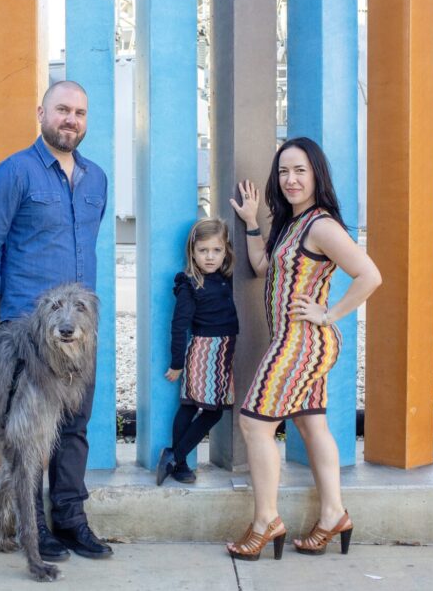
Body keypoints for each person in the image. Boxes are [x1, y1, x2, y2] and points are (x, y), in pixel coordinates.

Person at [0, 80, 113, 562]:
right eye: (62, 110)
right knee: (27, 432)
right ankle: (35, 527)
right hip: (28, 334)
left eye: (79, 112)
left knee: (75, 426)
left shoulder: (96, 179)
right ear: (41, 113)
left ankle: (70, 518)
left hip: (81, 333)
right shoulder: (14, 172)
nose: (71, 119)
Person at [226, 136, 381, 560]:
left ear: (316, 175)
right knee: (312, 426)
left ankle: (266, 522)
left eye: (300, 170)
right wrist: (253, 222)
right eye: (283, 171)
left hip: (302, 340)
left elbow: (370, 275)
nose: (290, 179)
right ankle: (333, 515)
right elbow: (261, 268)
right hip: (299, 342)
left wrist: (329, 314)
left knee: (255, 424)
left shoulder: (321, 225)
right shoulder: (292, 224)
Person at [156, 217, 239, 486]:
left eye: (216, 250)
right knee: (197, 407)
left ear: (225, 250)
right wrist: (177, 362)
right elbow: (179, 326)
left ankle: (175, 459)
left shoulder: (226, 279)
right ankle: (177, 458)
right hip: (204, 351)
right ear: (193, 252)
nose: (210, 257)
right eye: (203, 251)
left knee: (206, 407)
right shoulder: (190, 284)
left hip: (224, 351)